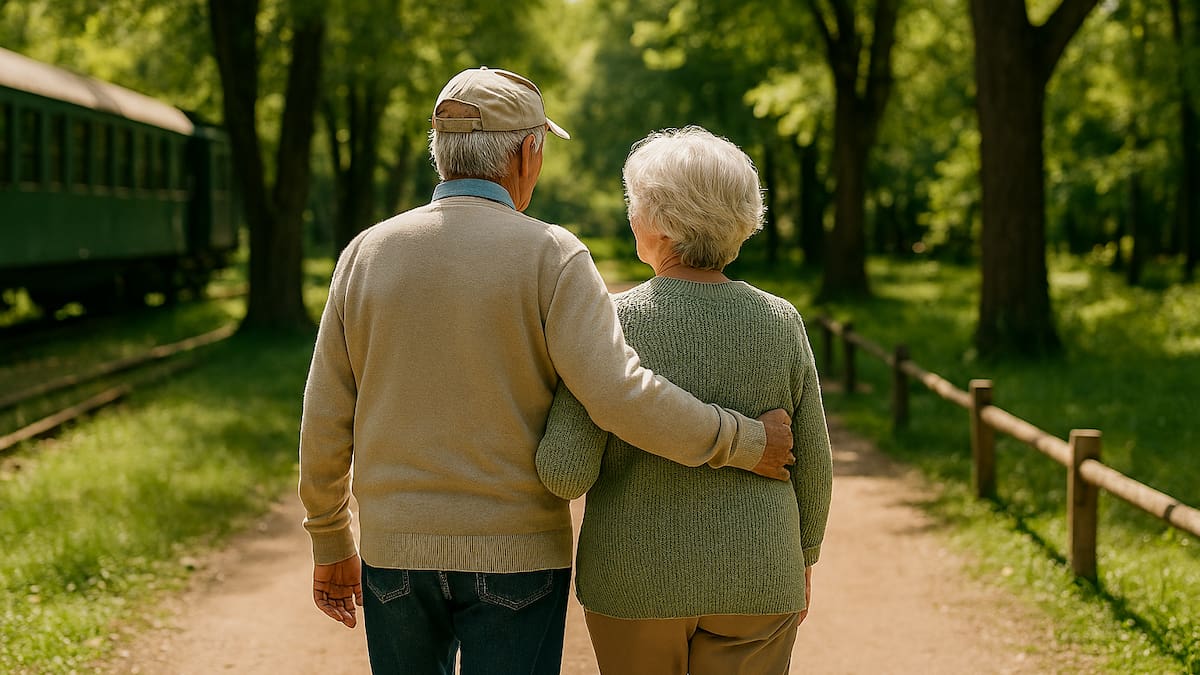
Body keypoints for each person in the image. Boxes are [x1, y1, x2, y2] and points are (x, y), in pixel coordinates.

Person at [297, 68, 797, 674]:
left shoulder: (365, 254)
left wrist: (330, 541)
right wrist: (742, 441)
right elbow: (618, 395)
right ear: (528, 152)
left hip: (395, 552)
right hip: (518, 554)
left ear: (442, 151)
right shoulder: (552, 255)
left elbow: (326, 410)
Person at [536, 126, 834, 675]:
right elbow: (813, 462)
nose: (630, 216)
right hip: (761, 575)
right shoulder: (779, 320)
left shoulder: (612, 322)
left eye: (636, 204)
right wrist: (803, 557)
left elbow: (565, 472)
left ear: (661, 224)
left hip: (634, 582)